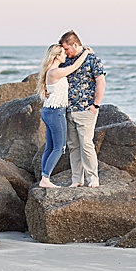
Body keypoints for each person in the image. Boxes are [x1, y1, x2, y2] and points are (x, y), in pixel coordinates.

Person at [36, 43, 93, 188]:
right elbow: (74, 67)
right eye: (63, 53)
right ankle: (45, 179)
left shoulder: (51, 70)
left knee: (50, 147)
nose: (66, 55)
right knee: (59, 147)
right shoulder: (55, 72)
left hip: (49, 111)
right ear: (56, 56)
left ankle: (44, 176)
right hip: (56, 112)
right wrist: (86, 52)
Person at [58, 30, 106, 188]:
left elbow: (101, 82)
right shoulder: (66, 61)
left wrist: (96, 105)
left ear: (75, 44)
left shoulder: (92, 59)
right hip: (68, 109)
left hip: (86, 109)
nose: (65, 52)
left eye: (66, 48)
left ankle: (93, 178)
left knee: (86, 144)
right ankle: (77, 179)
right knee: (73, 146)